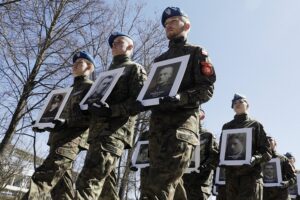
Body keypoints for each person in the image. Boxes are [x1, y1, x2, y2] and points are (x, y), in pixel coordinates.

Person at [140, 7, 216, 200]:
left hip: (180, 129)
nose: (169, 25)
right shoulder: (160, 61)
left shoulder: (196, 52)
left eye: (173, 21)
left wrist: (180, 97)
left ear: (187, 25)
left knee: (157, 188)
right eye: (166, 23)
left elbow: (206, 89)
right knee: (173, 188)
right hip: (157, 131)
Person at [75, 32, 147, 200]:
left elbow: (139, 102)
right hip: (97, 133)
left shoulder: (134, 69)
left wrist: (111, 111)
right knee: (107, 190)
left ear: (130, 47)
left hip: (114, 132)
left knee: (88, 182)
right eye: (112, 43)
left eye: (119, 42)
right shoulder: (105, 75)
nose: (114, 45)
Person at [22, 51, 95, 200]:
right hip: (57, 140)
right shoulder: (65, 91)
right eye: (73, 63)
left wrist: (67, 123)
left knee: (42, 178)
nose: (74, 65)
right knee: (62, 189)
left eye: (79, 62)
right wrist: (43, 124)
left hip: (71, 140)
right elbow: (55, 118)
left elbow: (92, 117)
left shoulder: (90, 87)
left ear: (89, 67)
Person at [221, 93, 272, 200]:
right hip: (231, 177)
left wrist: (255, 158)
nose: (237, 104)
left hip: (251, 176)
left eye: (241, 102)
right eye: (234, 103)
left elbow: (267, 153)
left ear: (247, 105)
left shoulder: (255, 125)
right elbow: (222, 150)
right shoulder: (227, 127)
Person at [174, 109, 219, 200]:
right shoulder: (181, 134)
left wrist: (204, 167)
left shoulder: (207, 136)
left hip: (199, 185)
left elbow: (215, 158)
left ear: (201, 117)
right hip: (181, 182)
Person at [263, 136, 297, 200]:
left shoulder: (283, 159)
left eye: (270, 140)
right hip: (265, 195)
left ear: (275, 143)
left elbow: (294, 178)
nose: (268, 141)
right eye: (266, 140)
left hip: (281, 195)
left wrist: (287, 183)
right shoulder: (260, 158)